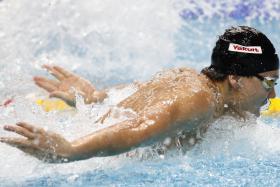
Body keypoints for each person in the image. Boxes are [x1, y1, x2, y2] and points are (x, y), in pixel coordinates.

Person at [0, 26, 279, 162]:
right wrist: (70, 151)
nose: (272, 94)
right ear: (236, 79)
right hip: (97, 158)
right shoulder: (199, 99)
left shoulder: (194, 81)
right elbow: (137, 127)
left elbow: (136, 91)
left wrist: (96, 97)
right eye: (268, 83)